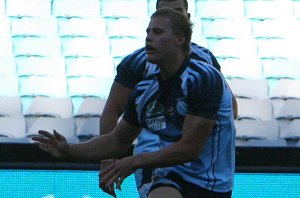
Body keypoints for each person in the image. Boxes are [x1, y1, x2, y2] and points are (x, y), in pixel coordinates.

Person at [33, 8, 236, 198]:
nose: (149, 37)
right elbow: (116, 141)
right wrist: (69, 150)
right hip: (169, 172)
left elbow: (190, 148)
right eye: (148, 32)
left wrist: (133, 161)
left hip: (212, 178)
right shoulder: (144, 91)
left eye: (157, 32)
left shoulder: (203, 78)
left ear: (180, 39)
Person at [99, 0, 238, 197]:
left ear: (187, 20)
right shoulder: (138, 62)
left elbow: (232, 109)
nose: (171, 17)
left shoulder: (205, 65)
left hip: (202, 167)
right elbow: (112, 112)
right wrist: (107, 162)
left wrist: (194, 123)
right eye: (163, 12)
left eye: (177, 12)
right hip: (152, 162)